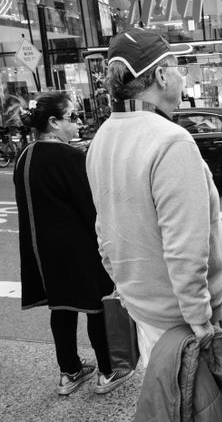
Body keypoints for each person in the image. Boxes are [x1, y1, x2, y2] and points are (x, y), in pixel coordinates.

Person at [86, 27, 222, 369]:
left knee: (165, 404)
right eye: (179, 67)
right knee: (208, 409)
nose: (182, 77)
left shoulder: (102, 138)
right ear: (162, 75)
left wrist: (125, 285)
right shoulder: (170, 141)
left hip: (142, 309)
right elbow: (185, 245)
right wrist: (200, 319)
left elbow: (103, 230)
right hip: (188, 322)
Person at [14, 92, 133, 396]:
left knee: (62, 308)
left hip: (45, 252)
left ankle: (69, 372)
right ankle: (108, 371)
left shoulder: (25, 156)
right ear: (53, 123)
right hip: (81, 248)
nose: (79, 122)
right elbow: (92, 209)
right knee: (96, 307)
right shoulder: (71, 157)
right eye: (72, 117)